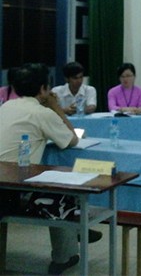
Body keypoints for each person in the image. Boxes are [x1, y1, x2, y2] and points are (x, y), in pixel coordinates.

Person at [0, 63, 101, 274]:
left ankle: (76, 231)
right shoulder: (42, 113)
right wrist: (56, 108)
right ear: (43, 89)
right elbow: (72, 139)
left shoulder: (6, 107)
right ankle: (65, 255)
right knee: (61, 191)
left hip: (3, 185)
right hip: (12, 194)